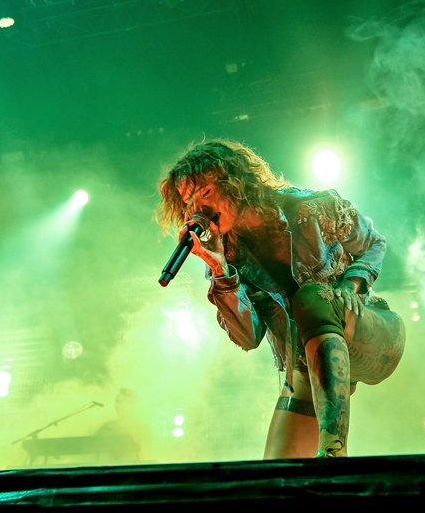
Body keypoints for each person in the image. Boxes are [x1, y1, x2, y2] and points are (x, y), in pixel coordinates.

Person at [157, 140, 405, 458]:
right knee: (278, 474)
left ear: (236, 182)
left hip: (369, 336)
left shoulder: (312, 207)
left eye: (205, 192)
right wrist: (219, 270)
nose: (198, 208)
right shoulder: (226, 256)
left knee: (312, 297)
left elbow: (373, 243)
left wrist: (349, 287)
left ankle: (334, 450)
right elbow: (248, 338)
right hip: (307, 369)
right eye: (188, 201)